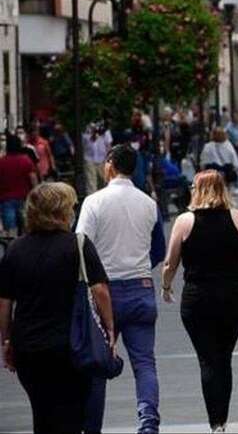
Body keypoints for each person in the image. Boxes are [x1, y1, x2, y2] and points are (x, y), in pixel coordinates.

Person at [0, 183, 114, 434]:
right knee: (72, 413)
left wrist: (7, 340)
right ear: (62, 211)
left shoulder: (15, 249)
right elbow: (100, 291)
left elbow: (5, 302)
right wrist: (109, 330)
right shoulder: (78, 244)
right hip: (71, 345)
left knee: (42, 413)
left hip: (28, 347)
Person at [161, 170, 238, 433]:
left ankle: (215, 423)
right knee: (224, 358)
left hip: (197, 297)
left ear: (197, 189)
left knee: (207, 359)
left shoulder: (185, 222)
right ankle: (223, 419)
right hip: (231, 295)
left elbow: (170, 263)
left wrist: (166, 285)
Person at [77, 145, 166, 434]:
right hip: (141, 288)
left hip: (104, 290)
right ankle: (148, 422)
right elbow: (158, 250)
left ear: (111, 164)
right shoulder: (148, 203)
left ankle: (92, 426)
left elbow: (81, 245)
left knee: (96, 361)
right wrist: (139, 266)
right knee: (145, 362)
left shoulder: (93, 202)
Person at [0, 135, 38, 237]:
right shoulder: (26, 160)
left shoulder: (2, 162)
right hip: (24, 198)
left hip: (6, 199)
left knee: (10, 230)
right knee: (26, 227)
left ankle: (11, 248)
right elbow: (33, 179)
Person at [83, 124, 114, 194]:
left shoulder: (104, 129)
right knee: (91, 182)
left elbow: (108, 145)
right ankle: (92, 201)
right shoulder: (85, 128)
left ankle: (104, 199)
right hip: (89, 158)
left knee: (104, 181)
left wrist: (109, 160)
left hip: (103, 159)